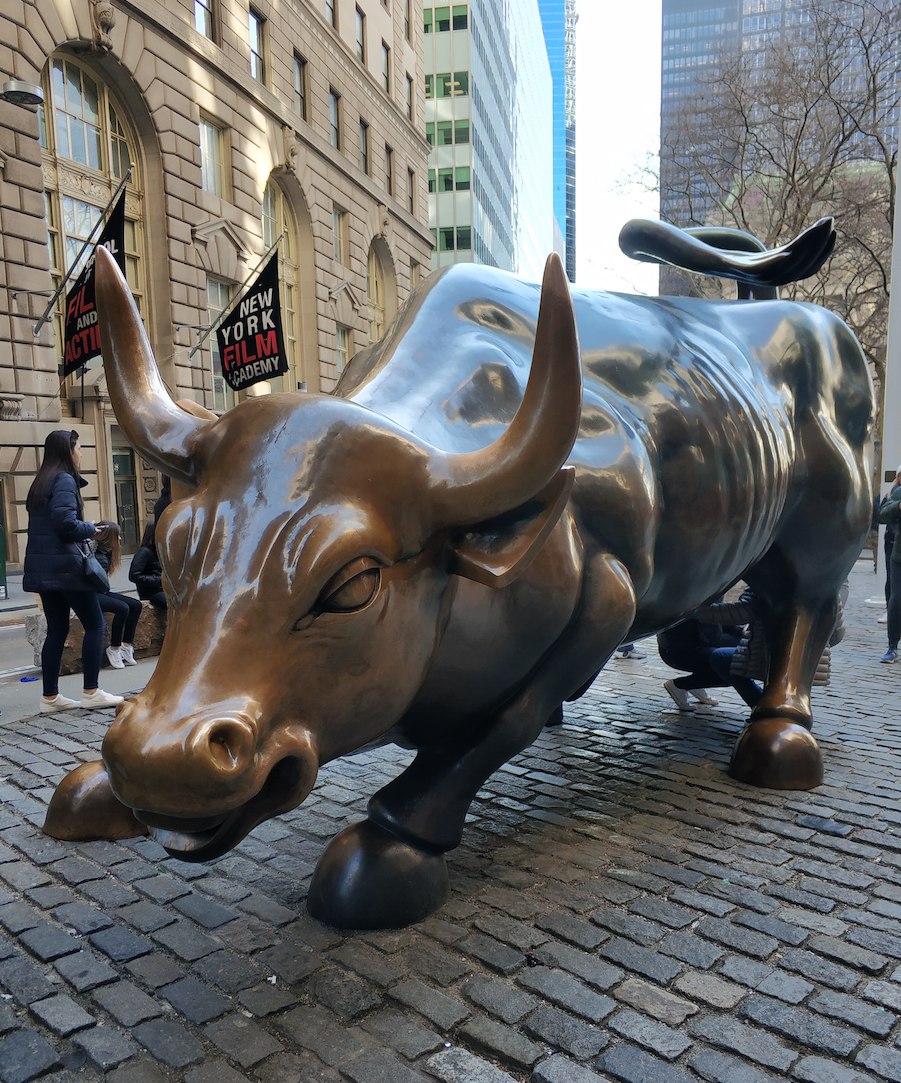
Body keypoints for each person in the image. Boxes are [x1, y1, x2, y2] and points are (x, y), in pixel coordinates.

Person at [22, 430, 125, 711]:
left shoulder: (40, 482)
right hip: (67, 568)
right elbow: (66, 525)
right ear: (68, 451)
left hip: (44, 568)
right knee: (94, 624)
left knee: (57, 629)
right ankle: (91, 692)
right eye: (78, 448)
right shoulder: (65, 479)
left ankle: (50, 697)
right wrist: (91, 528)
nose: (80, 453)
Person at [657, 603, 750, 711]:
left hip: (695, 641)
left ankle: (695, 684)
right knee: (735, 668)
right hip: (680, 649)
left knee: (741, 650)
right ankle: (681, 685)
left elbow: (718, 615)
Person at [93, 521, 142, 668]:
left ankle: (126, 645)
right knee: (122, 608)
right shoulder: (97, 555)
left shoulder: (105, 553)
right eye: (117, 536)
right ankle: (114, 648)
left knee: (136, 605)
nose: (120, 539)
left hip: (101, 592)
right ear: (108, 537)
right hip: (91, 594)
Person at [877, 479, 901, 663]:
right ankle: (892, 646)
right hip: (899, 557)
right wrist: (898, 506)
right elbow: (882, 514)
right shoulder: (899, 491)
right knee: (896, 600)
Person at [129, 522, 167, 609]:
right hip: (152, 591)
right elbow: (134, 575)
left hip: (164, 589)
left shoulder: (161, 550)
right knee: (173, 603)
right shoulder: (144, 552)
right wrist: (160, 580)